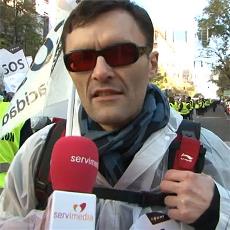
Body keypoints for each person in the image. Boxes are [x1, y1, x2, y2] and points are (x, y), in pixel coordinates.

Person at [0, 1, 230, 229]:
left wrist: (217, 214)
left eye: (120, 53)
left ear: (152, 64)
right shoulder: (38, 154)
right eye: (82, 59)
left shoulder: (205, 151)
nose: (100, 72)